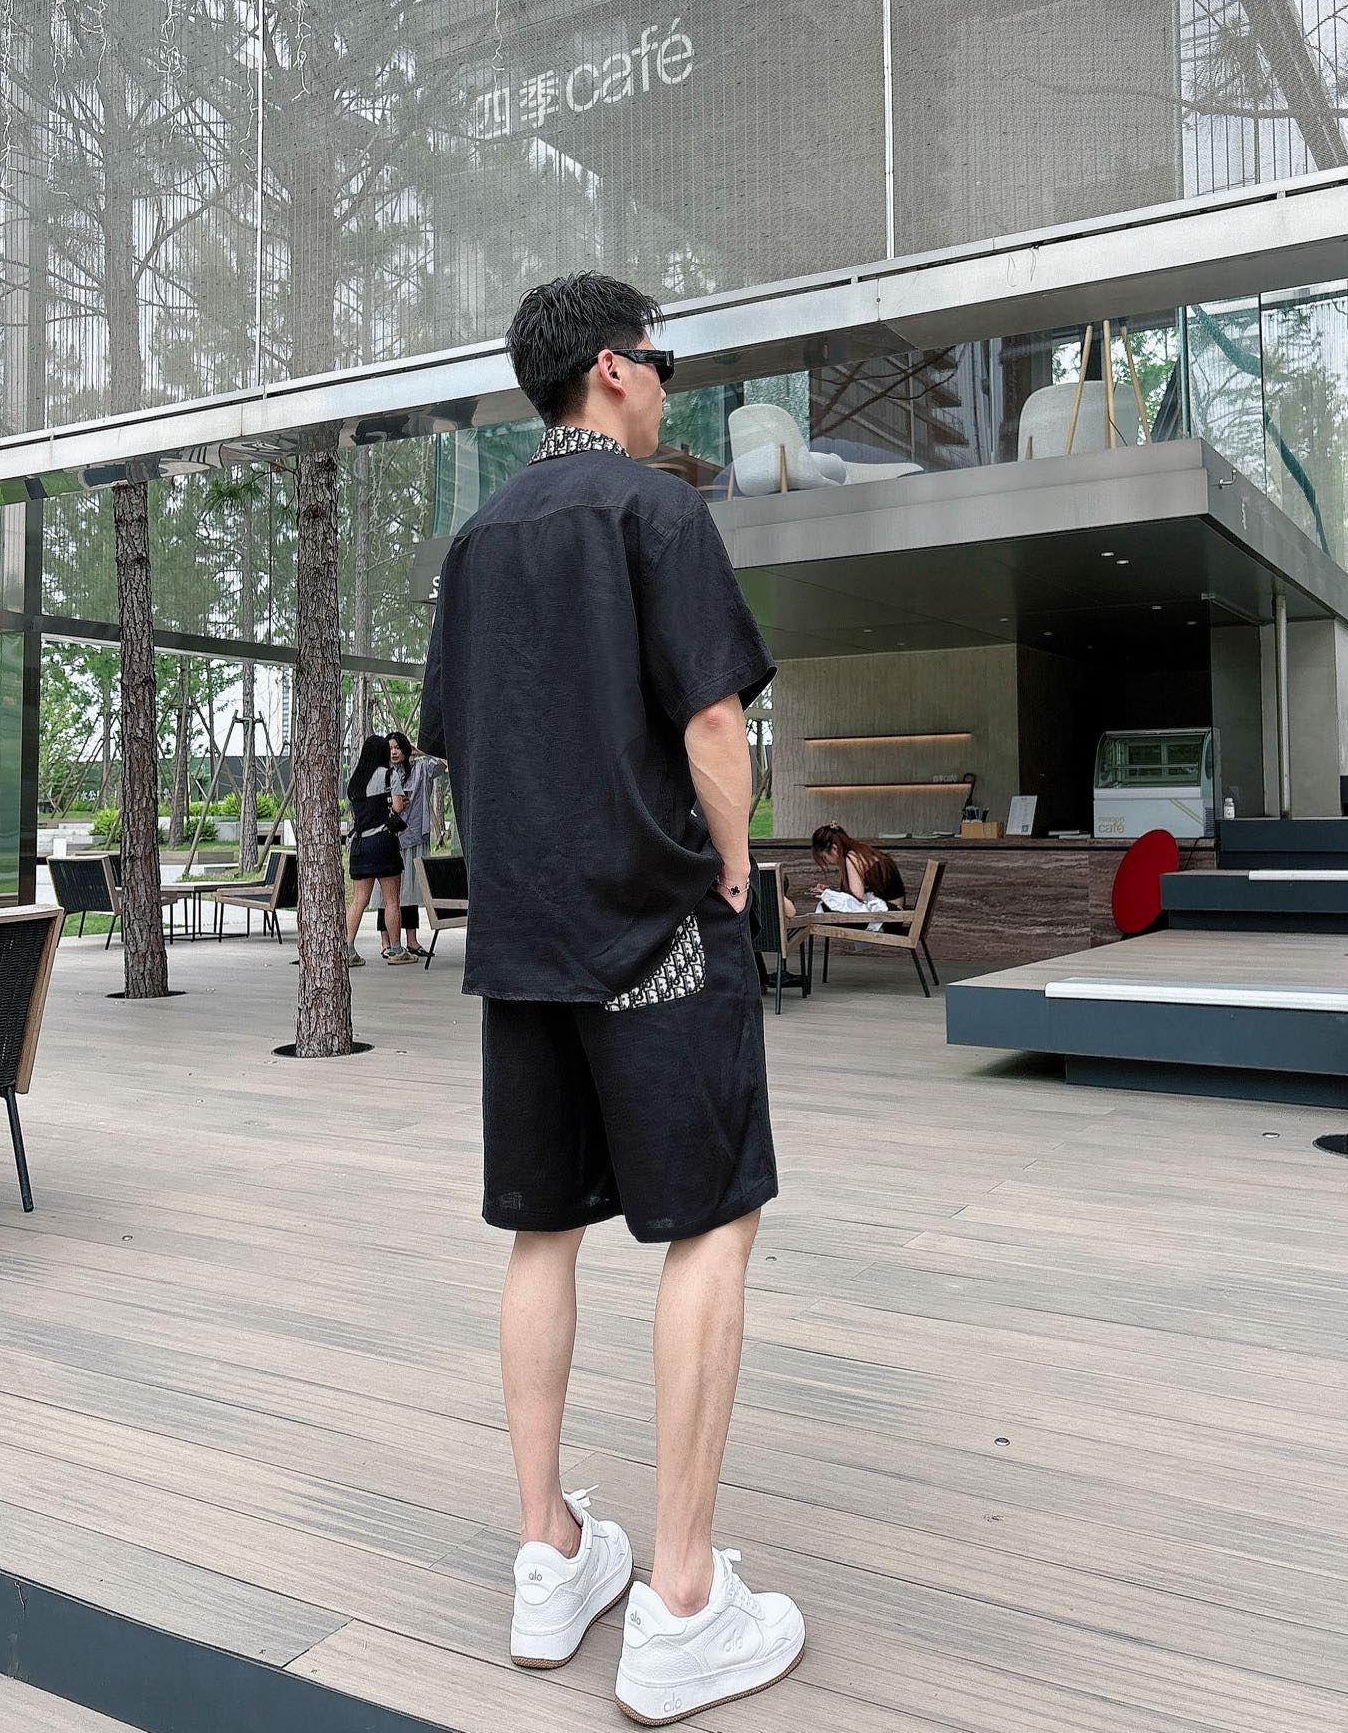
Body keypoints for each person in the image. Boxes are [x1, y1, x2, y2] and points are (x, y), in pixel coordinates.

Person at [419, 272, 804, 1725]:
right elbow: (711, 717)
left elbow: (460, 739)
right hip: (654, 932)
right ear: (614, 370)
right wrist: (731, 867)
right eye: (662, 361)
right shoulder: (657, 514)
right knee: (712, 1221)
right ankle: (685, 1602)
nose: (666, 387)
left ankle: (548, 1555)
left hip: (522, 942)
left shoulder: (476, 544)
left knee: (544, 1229)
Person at [343, 734, 414, 966]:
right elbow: (397, 806)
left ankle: (347, 949)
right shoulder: (389, 775)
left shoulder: (355, 781)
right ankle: (396, 950)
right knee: (391, 900)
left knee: (358, 900)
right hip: (383, 843)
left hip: (360, 845)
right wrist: (401, 802)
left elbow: (356, 814)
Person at [376, 731, 437, 959]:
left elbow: (443, 762)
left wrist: (420, 751)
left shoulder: (420, 769)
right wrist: (393, 801)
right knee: (387, 893)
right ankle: (386, 942)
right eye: (390, 748)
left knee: (409, 891)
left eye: (398, 747)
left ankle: (412, 940)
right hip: (389, 837)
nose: (394, 752)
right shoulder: (382, 773)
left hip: (413, 836)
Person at [810, 823, 906, 931]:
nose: (828, 862)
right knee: (829, 905)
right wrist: (830, 892)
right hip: (894, 915)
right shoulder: (863, 851)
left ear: (834, 848)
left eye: (825, 857)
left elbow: (856, 898)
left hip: (888, 917)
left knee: (825, 907)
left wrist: (829, 895)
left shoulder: (852, 857)